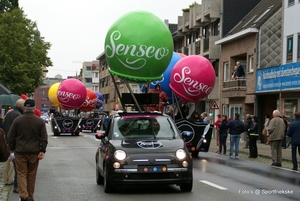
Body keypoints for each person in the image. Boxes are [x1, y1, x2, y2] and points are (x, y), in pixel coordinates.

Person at [7, 99, 48, 201]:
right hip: (34, 152)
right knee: (31, 175)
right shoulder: (39, 121)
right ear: (34, 109)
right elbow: (44, 138)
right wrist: (42, 150)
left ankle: (23, 195)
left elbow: (10, 136)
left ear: (24, 108)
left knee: (21, 173)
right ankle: (30, 197)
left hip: (20, 151)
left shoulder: (18, 120)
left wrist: (12, 148)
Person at [3, 99, 25, 192]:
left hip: (7, 141)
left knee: (7, 163)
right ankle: (16, 186)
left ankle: (6, 179)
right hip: (15, 143)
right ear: (21, 106)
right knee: (17, 167)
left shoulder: (9, 113)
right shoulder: (19, 115)